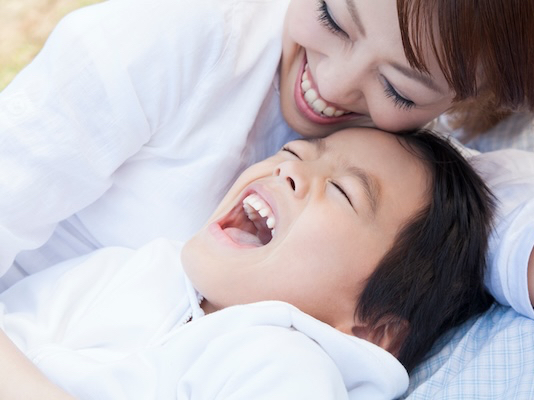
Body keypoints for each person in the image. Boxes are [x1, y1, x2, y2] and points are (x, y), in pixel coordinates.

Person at [0, 0, 534, 331]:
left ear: (458, 103)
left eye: (399, 88)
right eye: (333, 18)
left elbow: (519, 231)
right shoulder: (166, 41)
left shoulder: (407, 172)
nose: (332, 85)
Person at [0, 128, 495, 399]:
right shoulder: (137, 268)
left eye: (343, 191)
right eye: (294, 150)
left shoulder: (287, 366)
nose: (289, 168)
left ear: (373, 329)